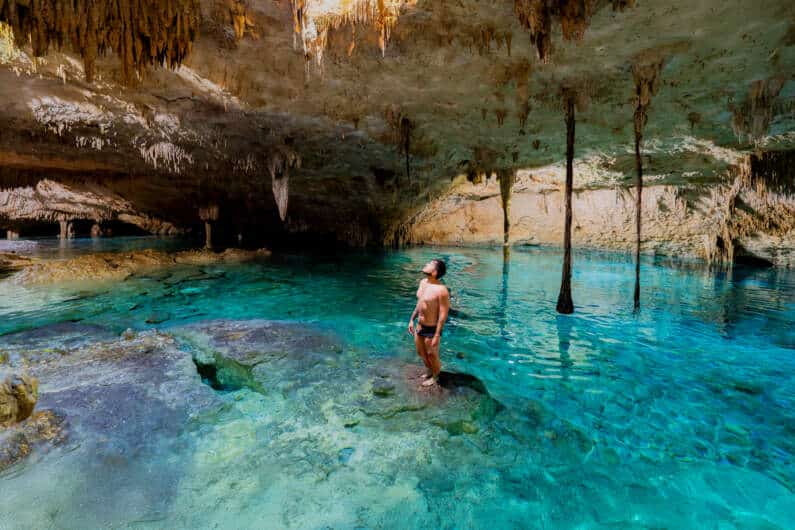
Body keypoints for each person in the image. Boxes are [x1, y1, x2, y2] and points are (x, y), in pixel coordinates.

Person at [408, 259, 450, 386]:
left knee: (432, 354)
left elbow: (443, 314)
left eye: (429, 264)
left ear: (434, 272)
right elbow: (420, 303)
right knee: (420, 352)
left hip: (432, 328)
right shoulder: (422, 282)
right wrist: (411, 319)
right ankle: (429, 370)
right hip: (419, 325)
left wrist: (437, 335)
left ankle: (436, 376)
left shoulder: (442, 290)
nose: (426, 264)